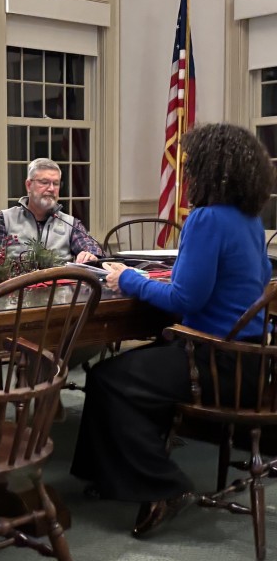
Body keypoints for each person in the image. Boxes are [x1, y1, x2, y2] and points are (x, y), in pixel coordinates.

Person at [70, 123, 275, 537]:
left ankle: (164, 485)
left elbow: (185, 302)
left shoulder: (206, 219)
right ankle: (109, 477)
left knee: (109, 379)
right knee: (126, 374)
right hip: (251, 365)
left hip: (214, 362)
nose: (187, 175)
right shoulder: (250, 220)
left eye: (191, 166)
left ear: (212, 169)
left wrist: (126, 278)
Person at [0, 158, 102, 263]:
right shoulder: (5, 219)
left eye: (56, 183)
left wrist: (90, 254)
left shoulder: (70, 224)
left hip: (61, 284)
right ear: (28, 185)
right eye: (44, 182)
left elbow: (92, 248)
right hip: (18, 283)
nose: (51, 188)